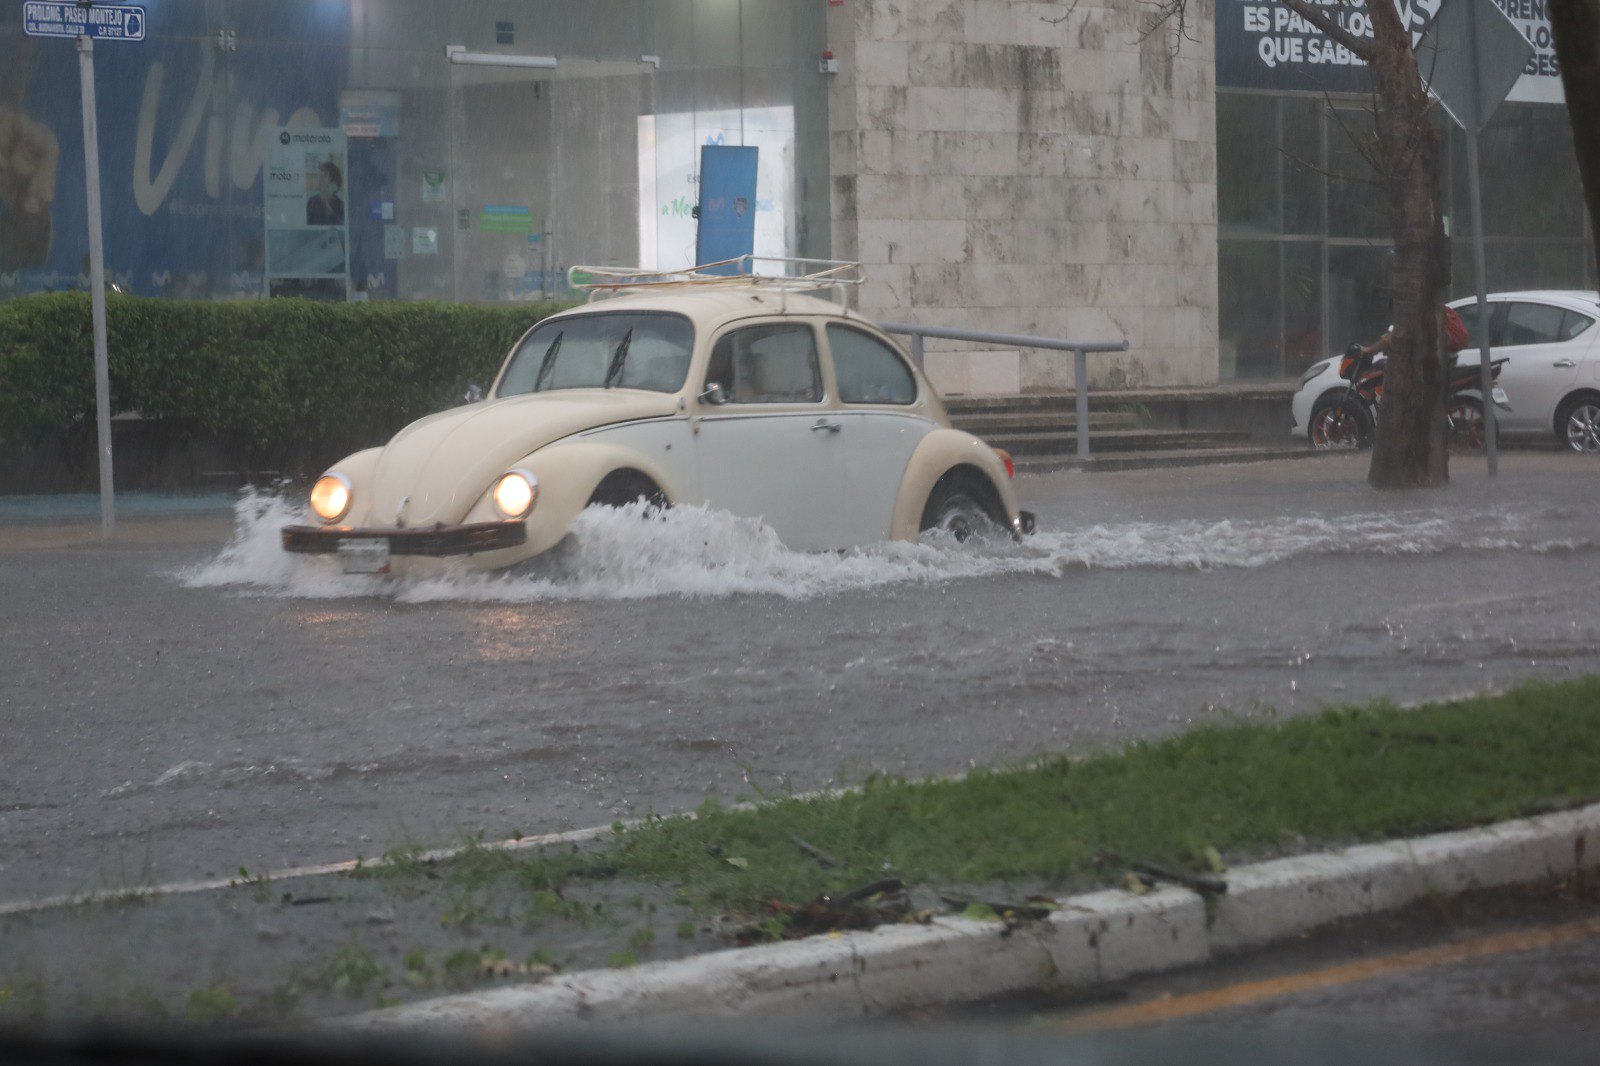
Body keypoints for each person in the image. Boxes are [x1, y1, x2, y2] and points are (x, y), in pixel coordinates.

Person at [306, 161, 344, 226]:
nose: (321, 179)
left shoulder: (340, 204)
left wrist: (329, 209)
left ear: (333, 180)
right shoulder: (311, 202)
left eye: (325, 175)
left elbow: (341, 225)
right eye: (320, 175)